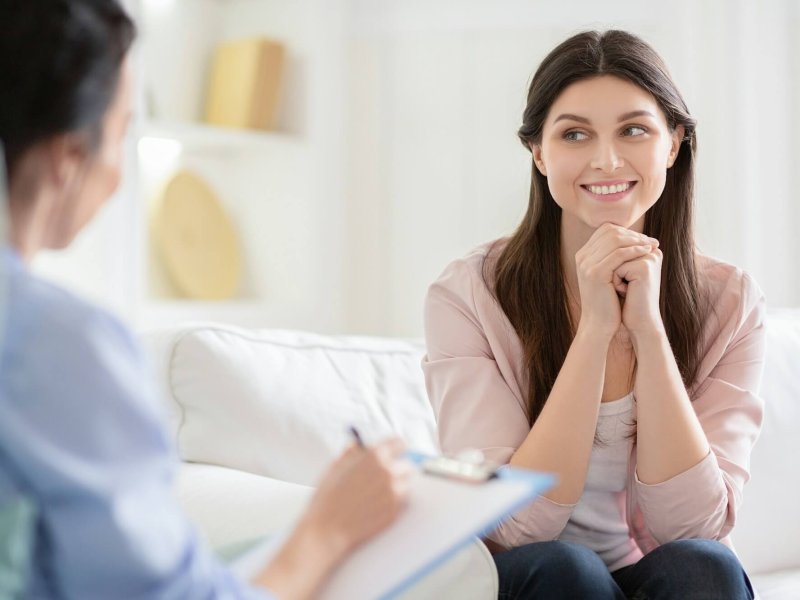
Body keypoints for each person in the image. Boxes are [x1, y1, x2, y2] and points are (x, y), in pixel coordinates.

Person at [0, 1, 410, 598]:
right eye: (119, 134)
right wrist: (325, 531)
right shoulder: (54, 342)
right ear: (67, 159)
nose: (117, 173)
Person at [423, 30, 764, 600]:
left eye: (634, 129)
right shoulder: (469, 294)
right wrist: (597, 328)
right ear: (539, 152)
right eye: (574, 134)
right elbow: (512, 525)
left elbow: (695, 527)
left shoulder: (728, 302)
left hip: (658, 572)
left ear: (673, 144)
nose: (606, 160)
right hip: (534, 577)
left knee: (704, 566)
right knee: (568, 570)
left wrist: (648, 331)